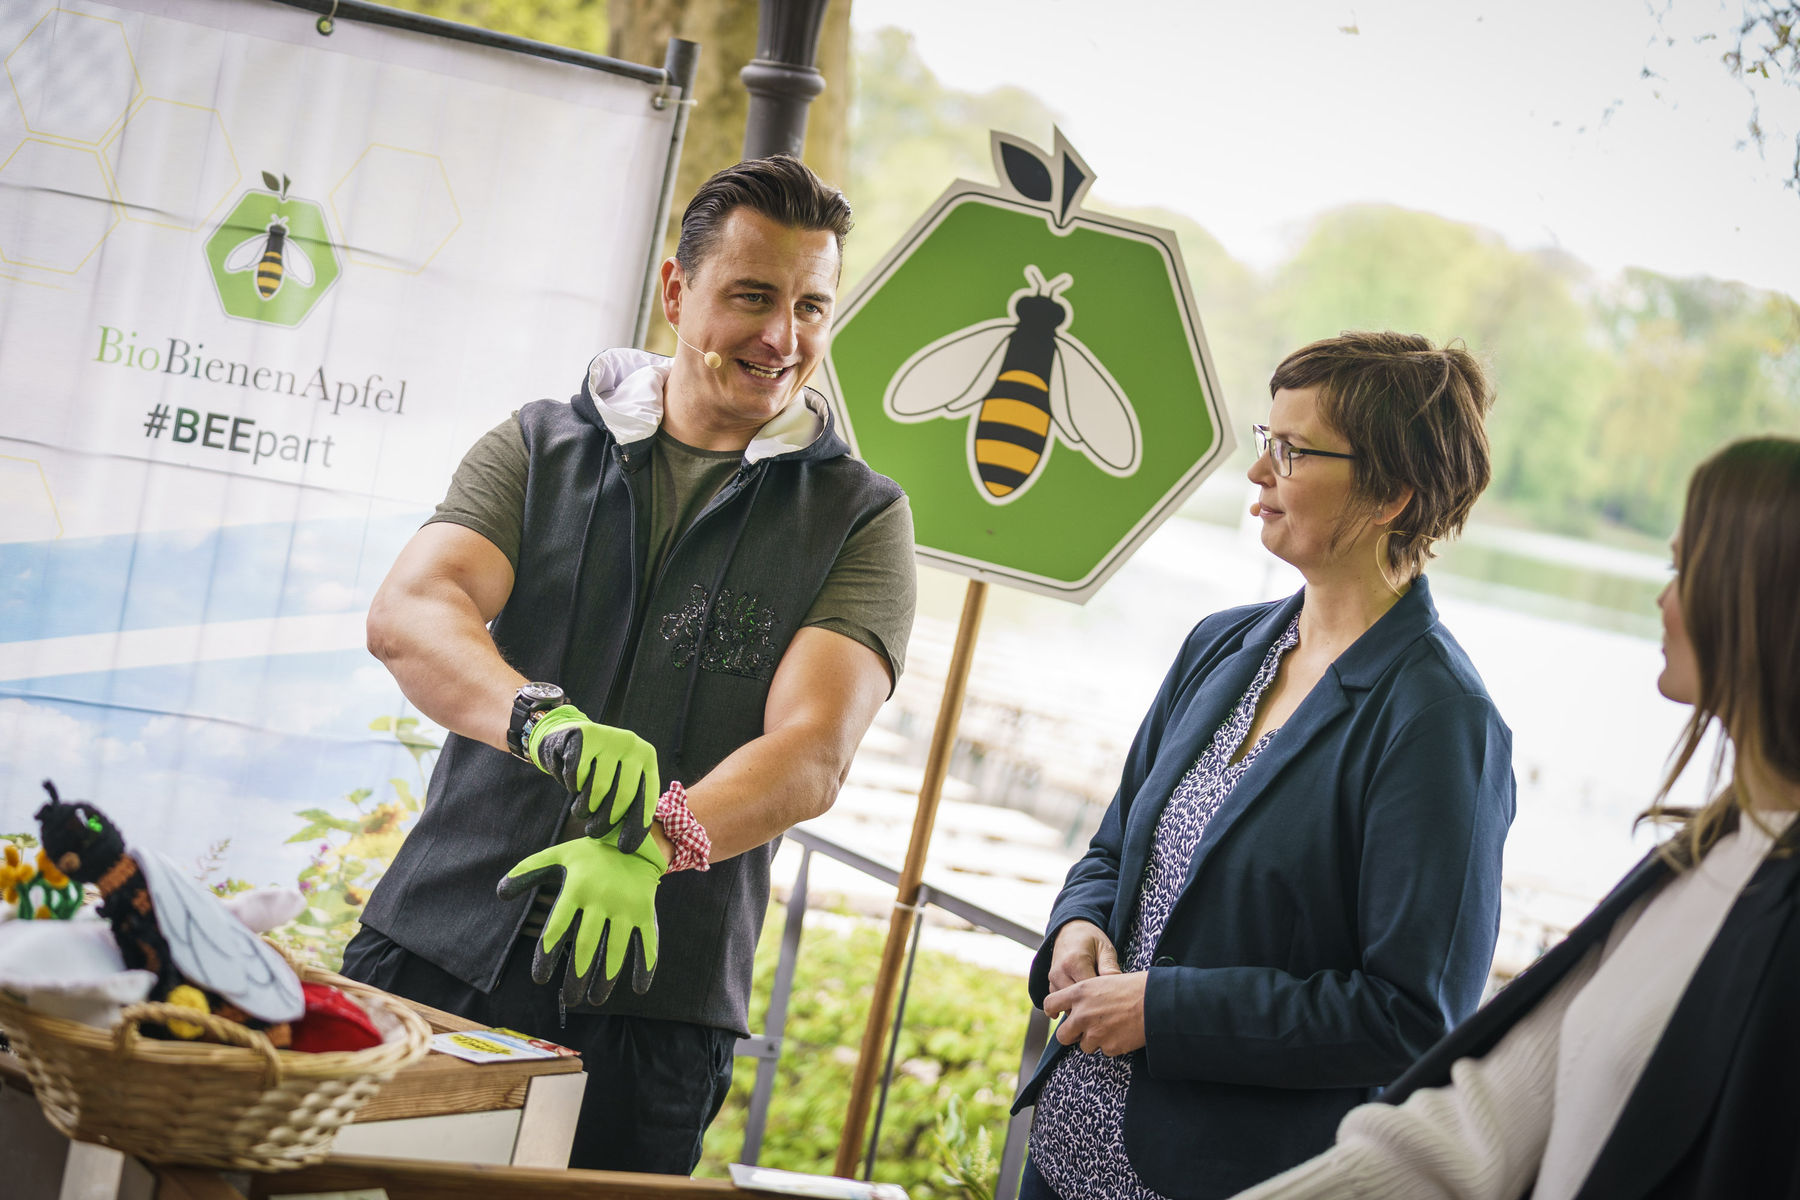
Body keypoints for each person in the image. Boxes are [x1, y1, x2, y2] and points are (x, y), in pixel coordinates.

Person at [340, 155, 917, 1174]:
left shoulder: (858, 517)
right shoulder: (539, 446)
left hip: (654, 1017)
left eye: (811, 307)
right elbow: (412, 611)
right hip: (429, 956)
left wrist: (661, 838)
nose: (783, 338)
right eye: (752, 296)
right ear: (674, 290)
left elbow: (813, 750)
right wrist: (538, 719)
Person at [1013, 332, 1517, 1200]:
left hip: (1230, 1179)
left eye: (1292, 450)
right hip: (1063, 1152)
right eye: (1264, 439)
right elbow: (1109, 849)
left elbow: (1411, 1015)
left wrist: (1161, 1012)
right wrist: (1076, 928)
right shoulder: (1220, 645)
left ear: (1391, 493)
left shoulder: (1442, 722)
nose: (1258, 472)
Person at [1233, 435, 1800, 1200]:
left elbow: (1410, 1014)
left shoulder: (1441, 714)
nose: (1661, 597)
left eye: (1681, 567)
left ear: (1763, 602)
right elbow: (1473, 1134)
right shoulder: (1699, 860)